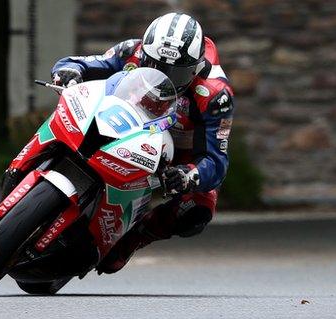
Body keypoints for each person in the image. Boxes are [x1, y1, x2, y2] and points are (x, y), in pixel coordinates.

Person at [51, 12, 234, 274]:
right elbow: (82, 63)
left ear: (194, 68)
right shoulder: (132, 50)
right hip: (121, 119)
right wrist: (70, 71)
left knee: (198, 210)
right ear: (146, 52)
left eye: (176, 73)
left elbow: (216, 161)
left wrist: (189, 176)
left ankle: (133, 237)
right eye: (155, 65)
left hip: (177, 155)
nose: (163, 77)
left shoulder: (216, 95)